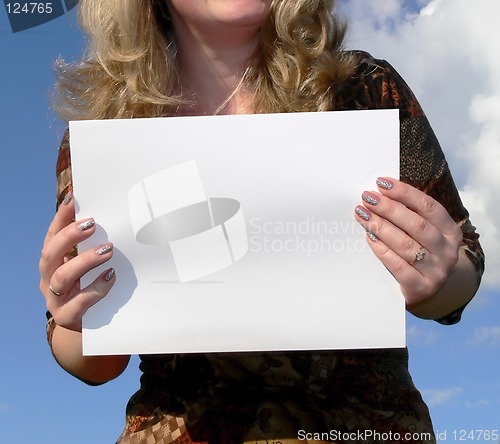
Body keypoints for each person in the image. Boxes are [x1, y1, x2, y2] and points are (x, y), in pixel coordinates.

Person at [39, 0, 485, 442]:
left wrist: (440, 277)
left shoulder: (364, 89)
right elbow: (96, 361)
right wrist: (75, 322)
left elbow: (461, 264)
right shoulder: (104, 136)